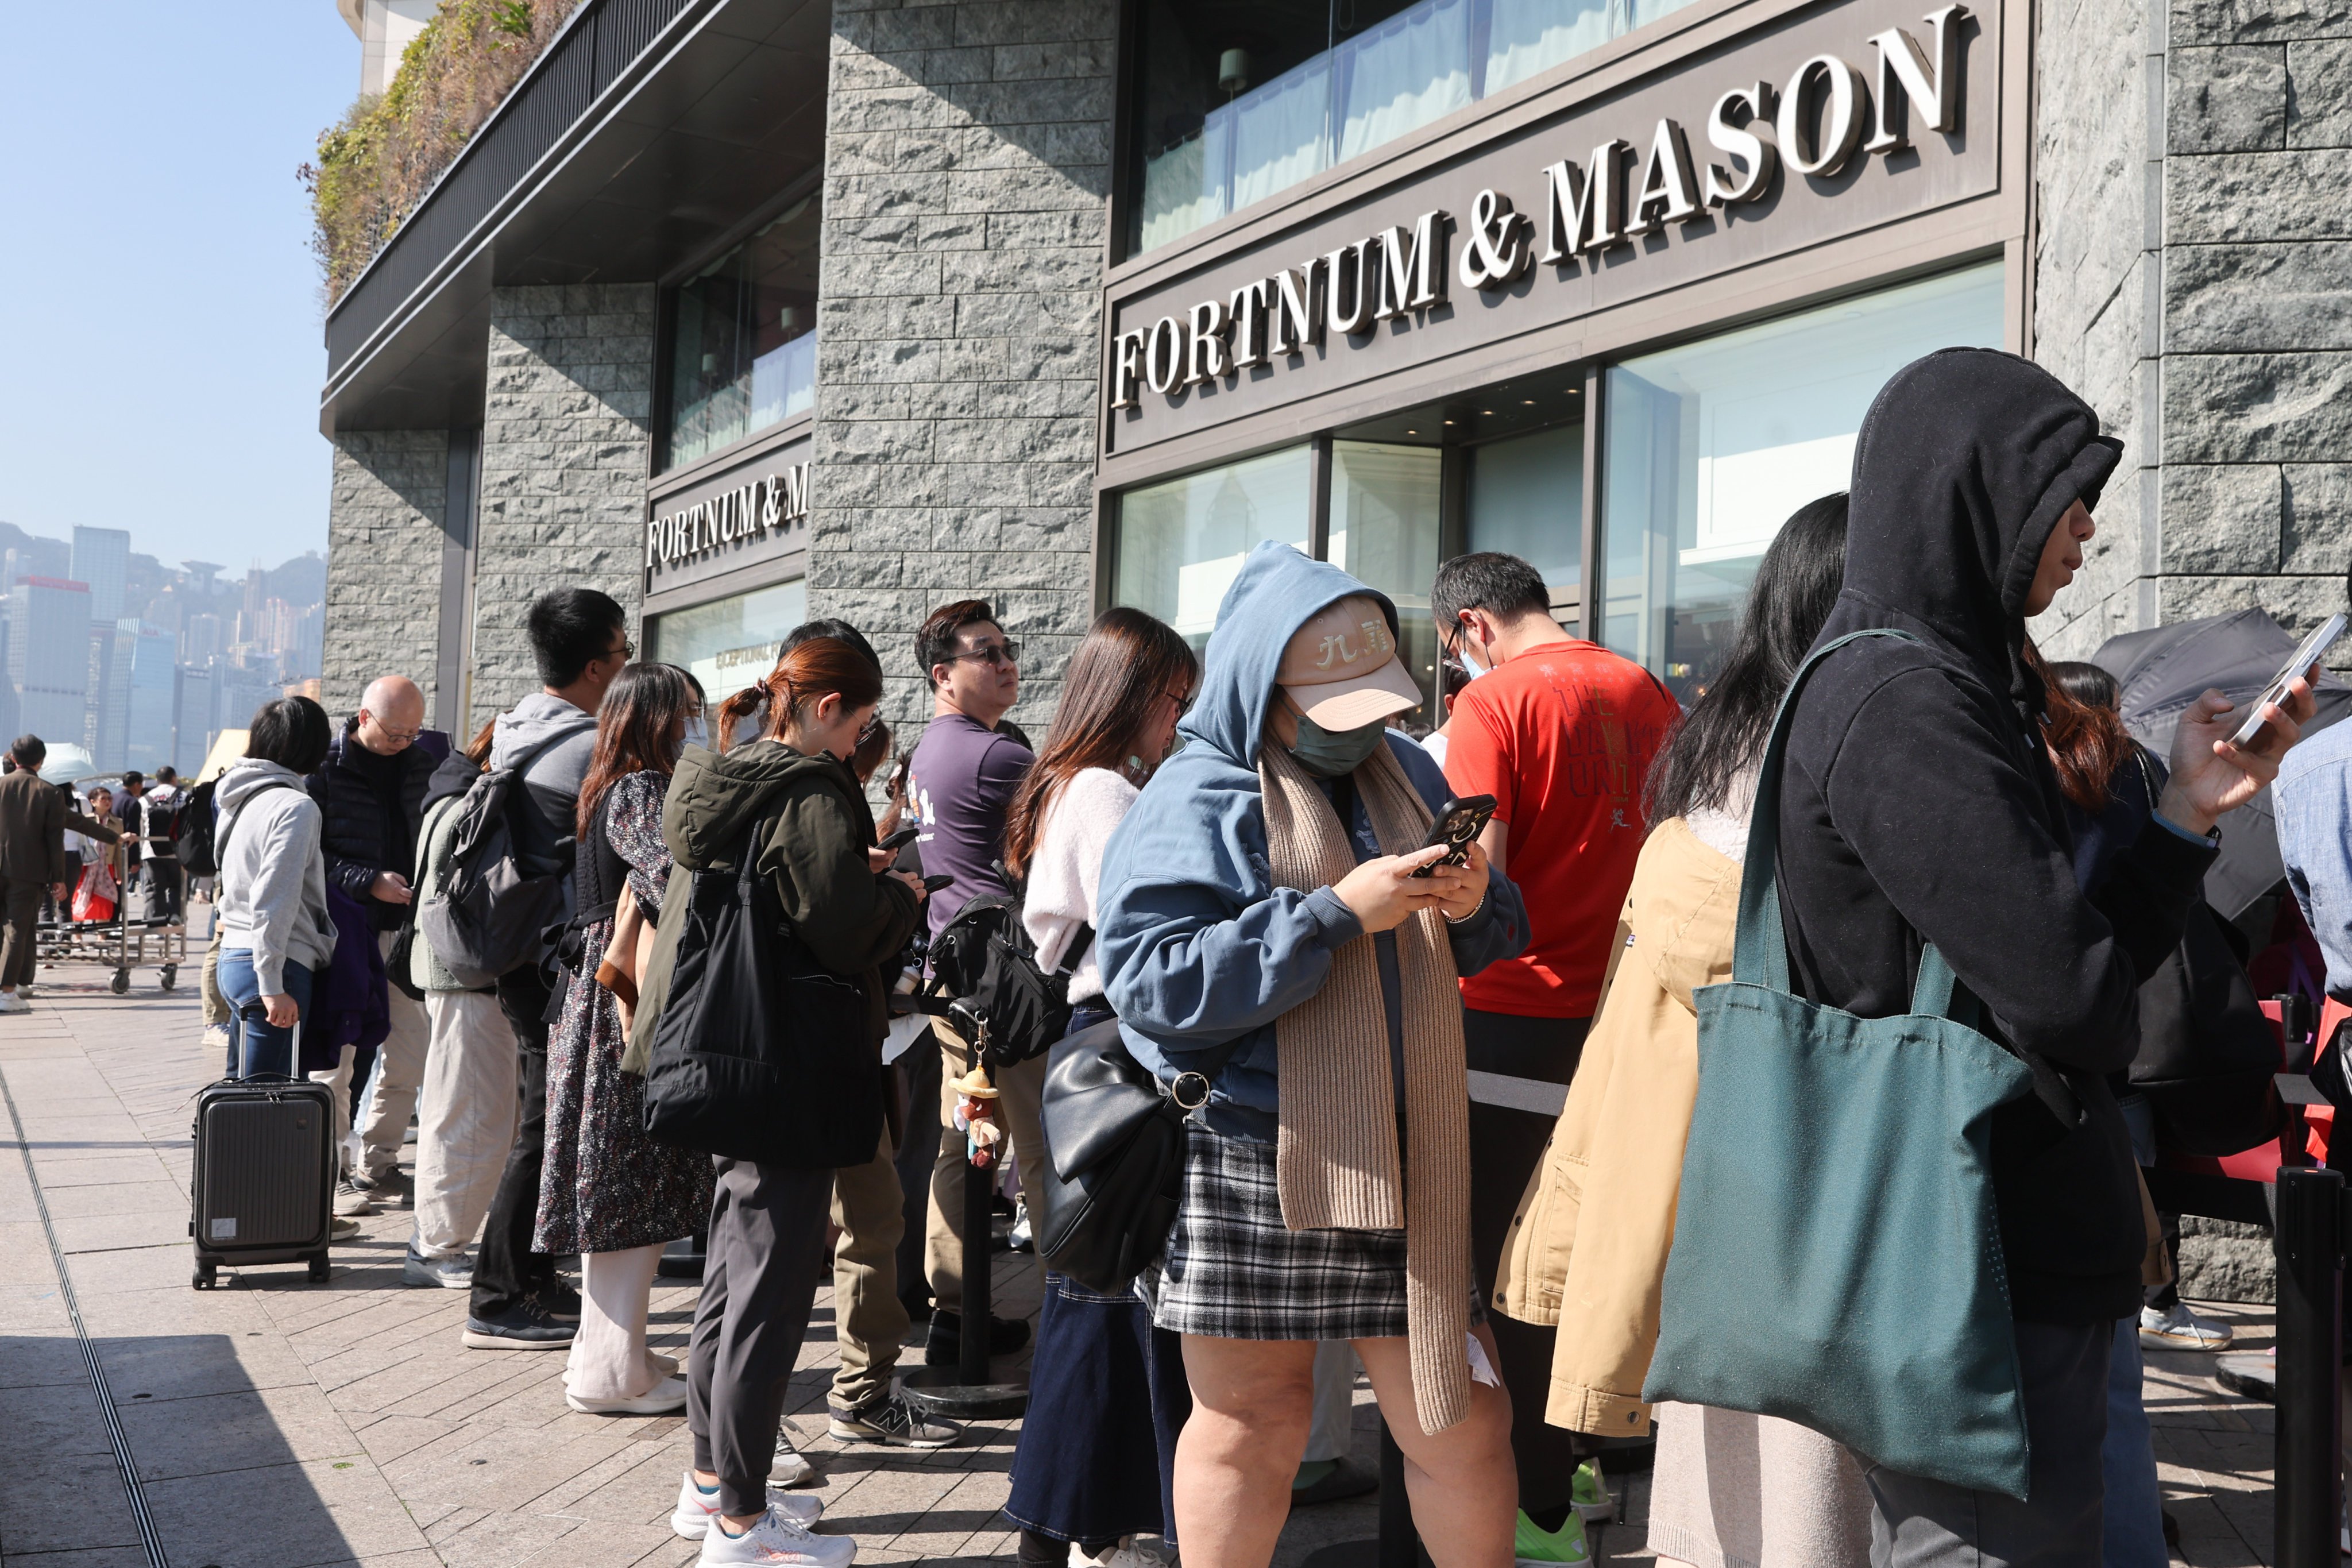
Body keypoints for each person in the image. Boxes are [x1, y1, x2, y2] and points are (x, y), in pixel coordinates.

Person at [1770, 348, 2308, 1561]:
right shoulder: (1902, 698)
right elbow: (2073, 997)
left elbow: (2073, 971)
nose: (2086, 528)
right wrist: (2106, 975)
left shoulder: (1952, 677)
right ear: (1976, 493)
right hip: (1967, 1249)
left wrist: (2184, 815)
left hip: (1995, 1234)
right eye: (2066, 495)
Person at [1099, 542, 1531, 1568]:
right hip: (1252, 1142)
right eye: (1335, 712)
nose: (1366, 731)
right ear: (1262, 684)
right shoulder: (1197, 792)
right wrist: (1333, 916)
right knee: (1254, 1426)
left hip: (1407, 1135)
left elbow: (1493, 929)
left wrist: (1474, 905)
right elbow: (1152, 986)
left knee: (1459, 1415)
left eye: (1378, 703)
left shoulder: (1404, 766)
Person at [1496, 495, 1869, 1568]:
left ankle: (1565, 1507)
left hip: (1584, 1032)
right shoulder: (1662, 699)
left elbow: (1481, 891)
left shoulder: (1712, 740)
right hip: (1792, 1120)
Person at [644, 634, 923, 1568]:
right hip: (789, 1072)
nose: (862, 740)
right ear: (830, 708)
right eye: (865, 721)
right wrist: (904, 900)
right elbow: (842, 930)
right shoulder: (806, 787)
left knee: (731, 1281)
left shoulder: (731, 778)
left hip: (731, 1062)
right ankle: (740, 1526)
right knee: (766, 1297)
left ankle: (709, 1487)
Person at [1429, 550, 1680, 1532]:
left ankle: (1539, 1511)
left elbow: (1472, 878)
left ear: (1473, 629)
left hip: (1508, 1015)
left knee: (1505, 1271)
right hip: (1626, 1016)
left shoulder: (1490, 705)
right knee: (1604, 1251)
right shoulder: (1646, 687)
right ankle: (1581, 1464)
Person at [1000, 607, 1200, 1568]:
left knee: (1102, 1298)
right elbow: (1142, 955)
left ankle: (1086, 1526)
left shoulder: (1075, 785)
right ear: (1136, 696)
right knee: (1111, 1303)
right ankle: (1083, 1527)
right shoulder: (1108, 796)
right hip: (1123, 1052)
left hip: (1095, 1052)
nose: (1184, 718)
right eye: (1176, 698)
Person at [535, 662, 715, 1415]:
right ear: (660, 719)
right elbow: (679, 873)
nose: (698, 724)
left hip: (595, 1000)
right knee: (626, 1183)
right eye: (691, 713)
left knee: (611, 1180)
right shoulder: (642, 791)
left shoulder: (603, 788)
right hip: (624, 1011)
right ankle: (613, 1369)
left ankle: (611, 1355)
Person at [464, 588, 631, 1351]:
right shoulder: (584, 748)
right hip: (551, 958)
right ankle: (498, 1295)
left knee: (542, 1115)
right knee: (541, 1126)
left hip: (519, 948)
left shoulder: (516, 727)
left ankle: (531, 1275)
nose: (629, 665)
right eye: (624, 653)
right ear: (596, 665)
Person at [905, 597, 1037, 1365]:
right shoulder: (996, 755)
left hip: (954, 977)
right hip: (1001, 986)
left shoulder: (931, 748)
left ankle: (956, 1308)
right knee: (1035, 1145)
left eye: (1005, 647)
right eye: (984, 652)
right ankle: (1068, 1312)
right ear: (942, 675)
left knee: (964, 1141)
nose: (1004, 661)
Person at [308, 675, 441, 1218]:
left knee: (410, 1053)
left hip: (409, 933)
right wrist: (368, 880)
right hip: (347, 932)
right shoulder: (324, 769)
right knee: (335, 1063)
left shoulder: (423, 765)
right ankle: (331, 1172)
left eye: (413, 732)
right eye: (395, 732)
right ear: (363, 718)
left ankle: (379, 1161)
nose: (404, 742)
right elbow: (312, 857)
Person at [403, 721, 520, 1291]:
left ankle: (438, 1239)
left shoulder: (453, 791)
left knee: (465, 1111)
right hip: (466, 975)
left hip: (455, 972)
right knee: (469, 1115)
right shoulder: (476, 799)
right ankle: (436, 1246)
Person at [216, 698, 341, 1084]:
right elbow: (275, 896)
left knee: (244, 1096)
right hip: (275, 963)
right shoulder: (296, 807)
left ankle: (222, 1147)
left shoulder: (239, 798)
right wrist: (272, 983)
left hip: (234, 956)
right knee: (269, 1107)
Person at [0, 736, 70, 1015]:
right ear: (41, 761)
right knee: (16, 930)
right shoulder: (50, 792)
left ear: (14, 759)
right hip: (28, 872)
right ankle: (7, 993)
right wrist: (59, 878)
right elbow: (55, 840)